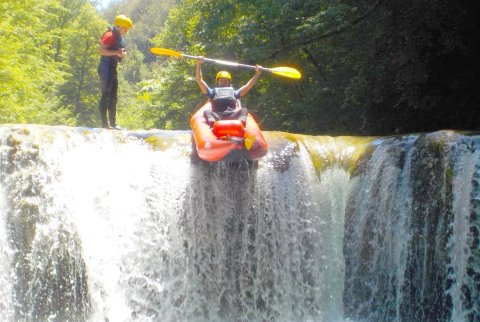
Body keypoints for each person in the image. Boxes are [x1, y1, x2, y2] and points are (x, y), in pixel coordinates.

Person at [195, 57, 262, 127]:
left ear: (229, 82)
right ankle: (213, 125)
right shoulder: (211, 92)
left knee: (244, 110)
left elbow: (248, 86)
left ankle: (241, 125)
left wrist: (257, 74)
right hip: (217, 116)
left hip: (233, 116)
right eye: (221, 80)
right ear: (217, 82)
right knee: (207, 112)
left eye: (226, 80)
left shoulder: (235, 93)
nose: (223, 82)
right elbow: (199, 80)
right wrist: (198, 64)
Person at [97, 15, 132, 129]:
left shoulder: (120, 38)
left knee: (113, 96)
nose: (126, 31)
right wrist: (117, 52)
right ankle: (104, 124)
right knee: (106, 94)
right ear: (119, 25)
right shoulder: (110, 35)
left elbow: (116, 53)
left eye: (127, 29)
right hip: (105, 67)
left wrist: (121, 54)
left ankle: (113, 123)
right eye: (125, 28)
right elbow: (101, 50)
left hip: (112, 68)